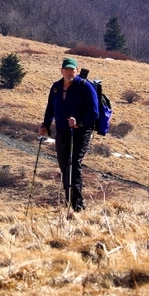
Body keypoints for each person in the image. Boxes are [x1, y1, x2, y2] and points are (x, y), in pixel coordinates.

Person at [38, 57, 98, 211]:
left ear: (77, 71)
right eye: (67, 69)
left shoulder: (85, 87)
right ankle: (69, 201)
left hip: (81, 132)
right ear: (62, 71)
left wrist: (79, 123)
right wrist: (45, 124)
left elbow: (94, 113)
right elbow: (51, 107)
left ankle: (78, 205)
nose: (70, 72)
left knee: (74, 164)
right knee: (65, 166)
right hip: (62, 130)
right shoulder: (56, 87)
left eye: (73, 69)